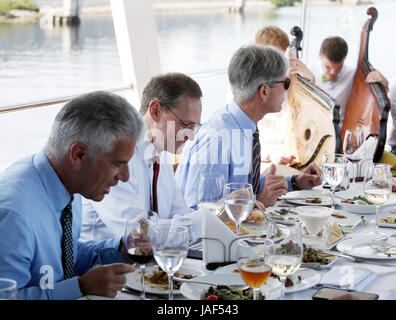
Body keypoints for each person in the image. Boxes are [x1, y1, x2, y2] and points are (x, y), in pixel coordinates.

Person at [0, 91, 145, 300]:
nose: (124, 176)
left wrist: (121, 249)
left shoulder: (68, 186)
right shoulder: (14, 215)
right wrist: (80, 287)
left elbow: (64, 258)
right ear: (79, 155)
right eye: (117, 164)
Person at [175, 45, 322, 209]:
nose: (287, 90)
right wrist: (258, 201)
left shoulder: (243, 126)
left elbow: (241, 186)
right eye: (286, 83)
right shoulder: (217, 139)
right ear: (264, 91)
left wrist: (295, 182)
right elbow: (200, 213)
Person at [81, 73, 203, 243]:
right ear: (155, 111)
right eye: (185, 125)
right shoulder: (115, 156)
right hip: (110, 265)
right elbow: (139, 234)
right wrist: (207, 219)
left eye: (195, 126)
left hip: (150, 263)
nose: (191, 136)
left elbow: (181, 216)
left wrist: (211, 218)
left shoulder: (160, 156)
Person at [253, 25, 315, 165]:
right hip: (265, 155)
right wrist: (270, 154)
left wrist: (310, 80)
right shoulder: (248, 84)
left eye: (284, 53)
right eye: (279, 55)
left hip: (292, 149)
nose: (283, 60)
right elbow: (243, 135)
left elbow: (309, 111)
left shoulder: (288, 75)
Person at [312, 36, 388, 127]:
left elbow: (376, 98)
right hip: (315, 128)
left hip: (342, 131)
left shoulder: (354, 74)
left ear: (345, 58)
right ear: (320, 55)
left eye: (338, 67)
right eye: (328, 67)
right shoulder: (310, 74)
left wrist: (384, 84)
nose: (333, 72)